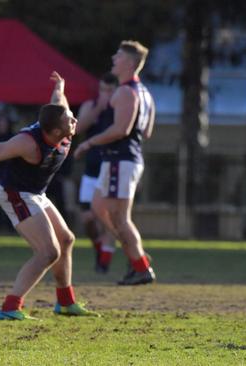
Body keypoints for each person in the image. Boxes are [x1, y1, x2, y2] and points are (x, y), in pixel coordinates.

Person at [0, 71, 99, 319]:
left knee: (66, 240)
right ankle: (10, 308)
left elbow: (58, 98)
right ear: (56, 132)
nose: (75, 121)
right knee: (48, 252)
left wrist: (60, 85)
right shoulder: (26, 143)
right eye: (70, 121)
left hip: (35, 192)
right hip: (16, 193)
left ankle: (65, 303)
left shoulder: (59, 121)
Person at [74, 40, 156, 285]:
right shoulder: (145, 93)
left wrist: (89, 143)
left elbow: (121, 129)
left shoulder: (125, 91)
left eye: (118, 56)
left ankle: (140, 265)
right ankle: (136, 256)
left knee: (119, 218)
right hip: (122, 159)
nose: (113, 59)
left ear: (130, 63)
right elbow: (147, 131)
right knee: (99, 208)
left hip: (121, 159)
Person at [75, 73, 119, 273]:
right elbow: (78, 128)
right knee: (88, 218)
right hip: (92, 171)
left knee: (109, 217)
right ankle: (100, 248)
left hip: (112, 169)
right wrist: (99, 108)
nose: (106, 94)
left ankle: (105, 261)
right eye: (103, 89)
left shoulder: (121, 109)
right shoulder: (90, 106)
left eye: (110, 90)